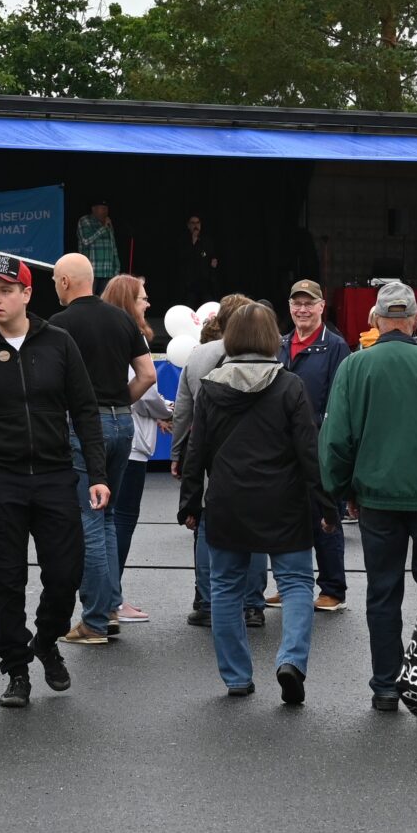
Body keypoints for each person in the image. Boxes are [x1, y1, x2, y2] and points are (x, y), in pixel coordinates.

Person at [0, 253, 108, 709]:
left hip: (55, 476)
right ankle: (16, 669)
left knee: (65, 573)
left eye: (5, 291)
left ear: (27, 294)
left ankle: (48, 639)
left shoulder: (58, 343)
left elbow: (85, 410)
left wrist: (96, 473)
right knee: (6, 581)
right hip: (0, 481)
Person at [319, 278, 417, 714]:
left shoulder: (355, 366)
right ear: (413, 320)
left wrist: (336, 492)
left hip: (377, 498)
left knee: (383, 592)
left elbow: (337, 439)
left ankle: (386, 686)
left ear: (376, 319)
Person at [178, 301, 326, 706]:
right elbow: (308, 453)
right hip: (284, 501)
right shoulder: (290, 385)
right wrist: (326, 505)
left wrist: (190, 501)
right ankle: (291, 660)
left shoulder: (210, 387)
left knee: (225, 586)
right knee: (296, 582)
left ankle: (237, 676)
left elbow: (197, 451)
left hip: (226, 499)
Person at [51, 253, 157, 647]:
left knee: (90, 520)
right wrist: (119, 405)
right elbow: (147, 375)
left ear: (64, 282)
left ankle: (95, 621)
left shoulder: (58, 326)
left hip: (83, 426)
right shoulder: (123, 320)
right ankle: (109, 608)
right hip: (122, 424)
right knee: (109, 517)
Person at [170, 294, 254, 630]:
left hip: (205, 450)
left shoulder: (199, 355)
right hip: (251, 451)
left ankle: (206, 602)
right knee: (253, 526)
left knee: (204, 523)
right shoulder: (259, 355)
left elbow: (183, 410)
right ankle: (252, 605)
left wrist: (177, 454)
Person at [279, 281, 351, 613]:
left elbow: (341, 399)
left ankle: (333, 589)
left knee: (326, 515)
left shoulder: (336, 347)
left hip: (321, 448)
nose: (303, 310)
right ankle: (292, 584)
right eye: (297, 304)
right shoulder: (280, 344)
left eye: (310, 304)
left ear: (322, 306)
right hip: (283, 448)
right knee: (288, 519)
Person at [104, 275, 160, 622]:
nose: (148, 303)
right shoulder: (129, 336)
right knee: (119, 523)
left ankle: (108, 598)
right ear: (128, 302)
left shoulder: (104, 334)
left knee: (108, 523)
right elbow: (147, 386)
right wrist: (170, 412)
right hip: (132, 444)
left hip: (114, 438)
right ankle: (112, 599)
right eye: (142, 298)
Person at [77, 201, 121, 286]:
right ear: (94, 209)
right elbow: (86, 241)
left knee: (105, 299)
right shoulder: (85, 220)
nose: (106, 211)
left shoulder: (107, 223)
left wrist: (116, 268)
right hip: (90, 273)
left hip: (108, 273)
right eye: (103, 208)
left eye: (107, 209)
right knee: (89, 299)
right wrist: (104, 227)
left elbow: (113, 247)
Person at [181, 214, 221, 303]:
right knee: (189, 306)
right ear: (188, 225)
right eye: (193, 223)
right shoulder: (184, 241)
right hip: (190, 283)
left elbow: (211, 255)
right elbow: (184, 258)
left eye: (198, 223)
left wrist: (214, 261)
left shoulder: (206, 240)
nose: (196, 225)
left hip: (205, 282)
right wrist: (193, 241)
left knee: (208, 306)